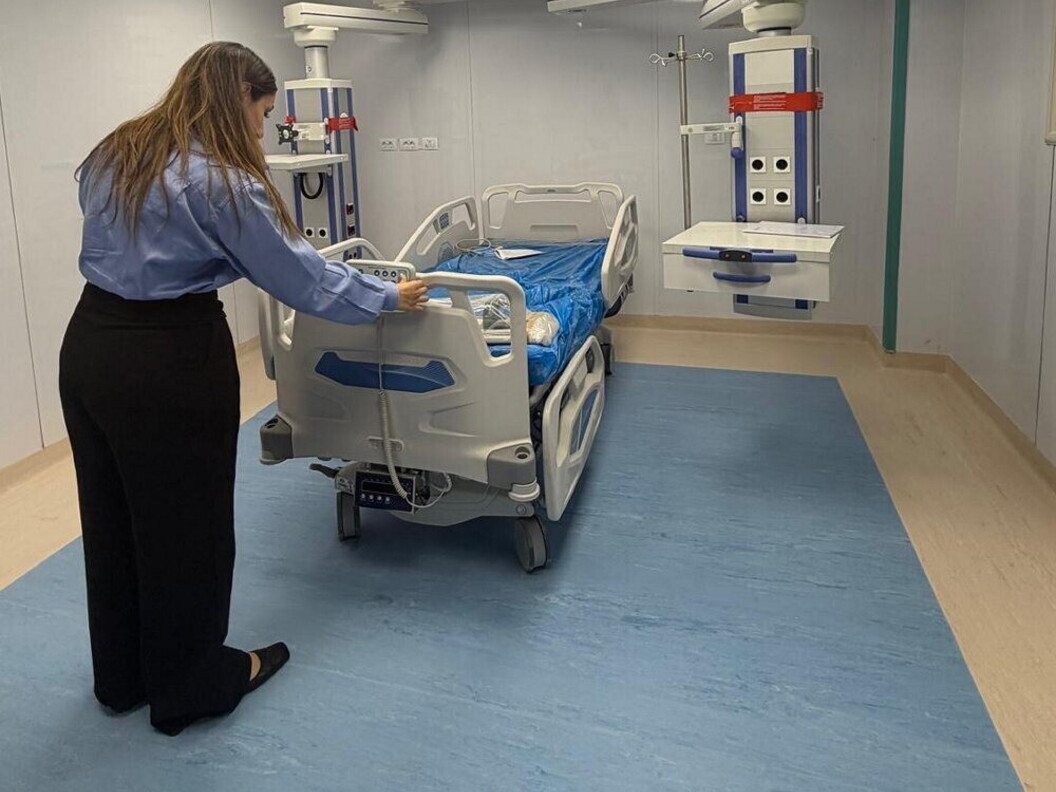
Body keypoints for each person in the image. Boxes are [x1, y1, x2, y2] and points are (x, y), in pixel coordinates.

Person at [59, 41, 428, 737]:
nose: (261, 134)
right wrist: (385, 297)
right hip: (168, 358)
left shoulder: (118, 149)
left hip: (90, 347)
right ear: (237, 100)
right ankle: (190, 686)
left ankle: (123, 676)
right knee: (188, 526)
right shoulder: (222, 183)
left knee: (112, 517)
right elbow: (300, 277)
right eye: (261, 115)